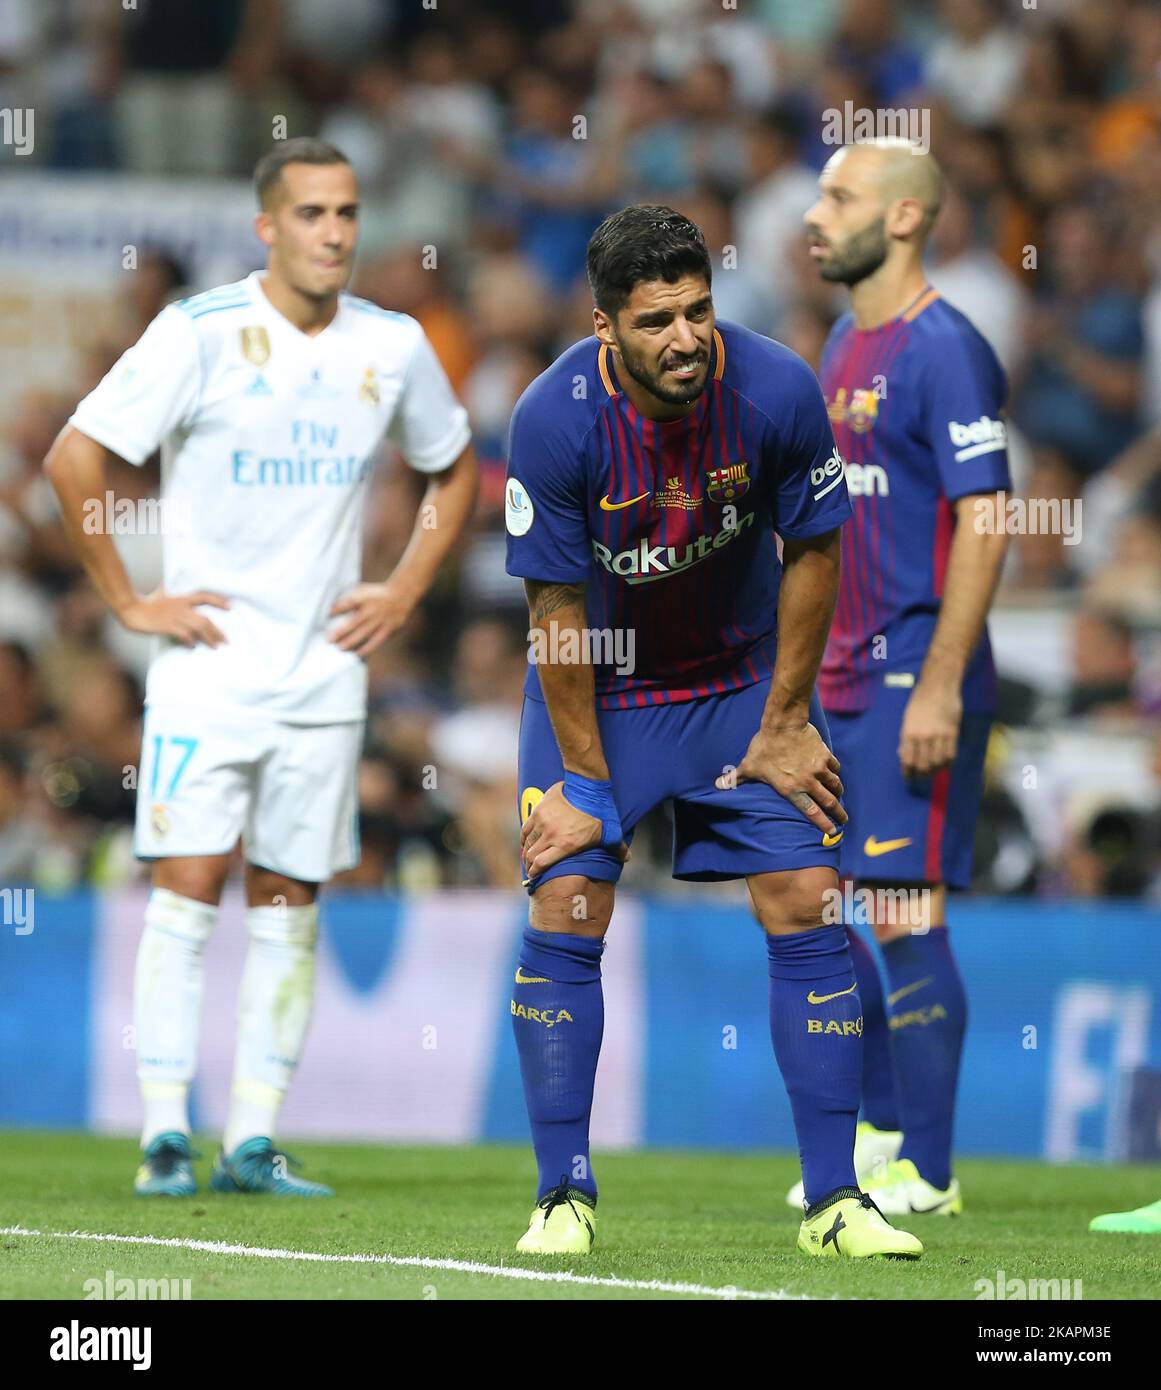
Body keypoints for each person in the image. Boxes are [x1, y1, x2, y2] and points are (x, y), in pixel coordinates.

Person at [44, 138, 477, 1197]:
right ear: (266, 227)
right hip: (207, 667)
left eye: (347, 213)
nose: (335, 232)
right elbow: (73, 454)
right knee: (187, 886)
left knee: (289, 901)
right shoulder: (200, 332)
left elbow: (455, 466)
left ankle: (250, 1138)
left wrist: (407, 587)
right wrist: (128, 600)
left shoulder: (393, 344)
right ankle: (161, 1131)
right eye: (313, 213)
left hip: (325, 676)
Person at [505, 204, 923, 1260]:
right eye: (655, 322)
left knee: (805, 896)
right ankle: (564, 1194)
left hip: (743, 681)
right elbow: (554, 614)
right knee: (566, 900)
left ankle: (836, 1203)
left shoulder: (776, 388)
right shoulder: (551, 422)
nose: (686, 338)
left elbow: (817, 552)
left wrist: (785, 719)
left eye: (697, 311)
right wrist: (585, 784)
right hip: (601, 689)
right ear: (606, 328)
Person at [794, 138, 1011, 1217]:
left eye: (840, 195)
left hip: (914, 675)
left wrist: (936, 682)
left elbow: (987, 515)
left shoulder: (946, 350)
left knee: (901, 910)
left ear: (909, 218)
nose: (815, 212)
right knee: (814, 908)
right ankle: (880, 1127)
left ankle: (929, 1168)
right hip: (835, 679)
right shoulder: (841, 340)